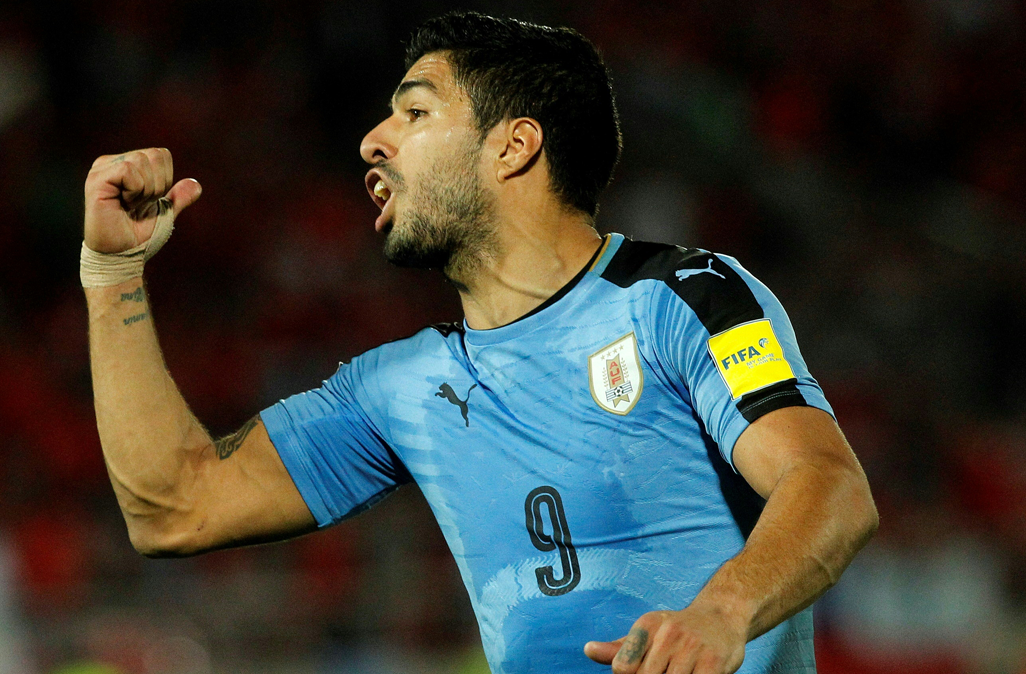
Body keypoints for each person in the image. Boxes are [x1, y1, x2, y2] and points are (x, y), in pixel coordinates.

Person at [79, 12, 877, 674]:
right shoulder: (397, 387)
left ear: (513, 145)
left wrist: (721, 612)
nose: (372, 140)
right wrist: (112, 273)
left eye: (415, 113)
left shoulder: (679, 299)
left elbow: (829, 486)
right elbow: (173, 510)